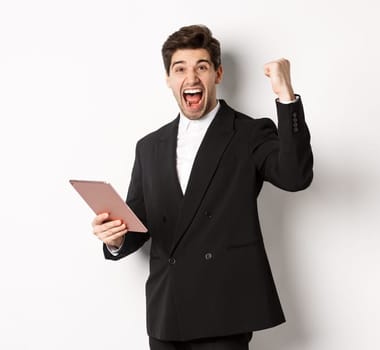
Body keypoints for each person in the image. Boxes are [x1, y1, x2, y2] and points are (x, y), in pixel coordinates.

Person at [90, 25, 313, 350]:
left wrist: (286, 95)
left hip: (224, 309)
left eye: (202, 67)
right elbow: (141, 223)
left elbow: (295, 176)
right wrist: (116, 237)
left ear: (217, 74)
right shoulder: (149, 147)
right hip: (166, 312)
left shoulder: (248, 133)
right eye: (180, 68)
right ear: (168, 78)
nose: (191, 77)